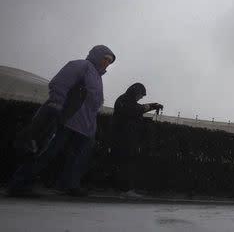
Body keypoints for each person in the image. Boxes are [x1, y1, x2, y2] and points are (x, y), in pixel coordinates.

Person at [7, 45, 116, 197]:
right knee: (47, 152)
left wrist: (93, 127)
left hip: (84, 127)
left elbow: (92, 105)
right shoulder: (82, 66)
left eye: (110, 61)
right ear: (96, 55)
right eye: (105, 58)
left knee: (77, 158)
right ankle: (18, 184)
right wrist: (56, 103)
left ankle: (69, 185)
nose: (107, 63)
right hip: (68, 120)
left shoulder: (97, 77)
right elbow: (60, 82)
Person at [112, 83, 163, 198]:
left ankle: (127, 188)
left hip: (127, 137)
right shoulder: (125, 100)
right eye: (141, 95)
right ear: (136, 92)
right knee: (126, 163)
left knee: (128, 163)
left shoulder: (125, 100)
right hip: (124, 138)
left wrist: (152, 106)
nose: (141, 97)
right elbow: (136, 110)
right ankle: (125, 189)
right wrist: (152, 106)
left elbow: (137, 109)